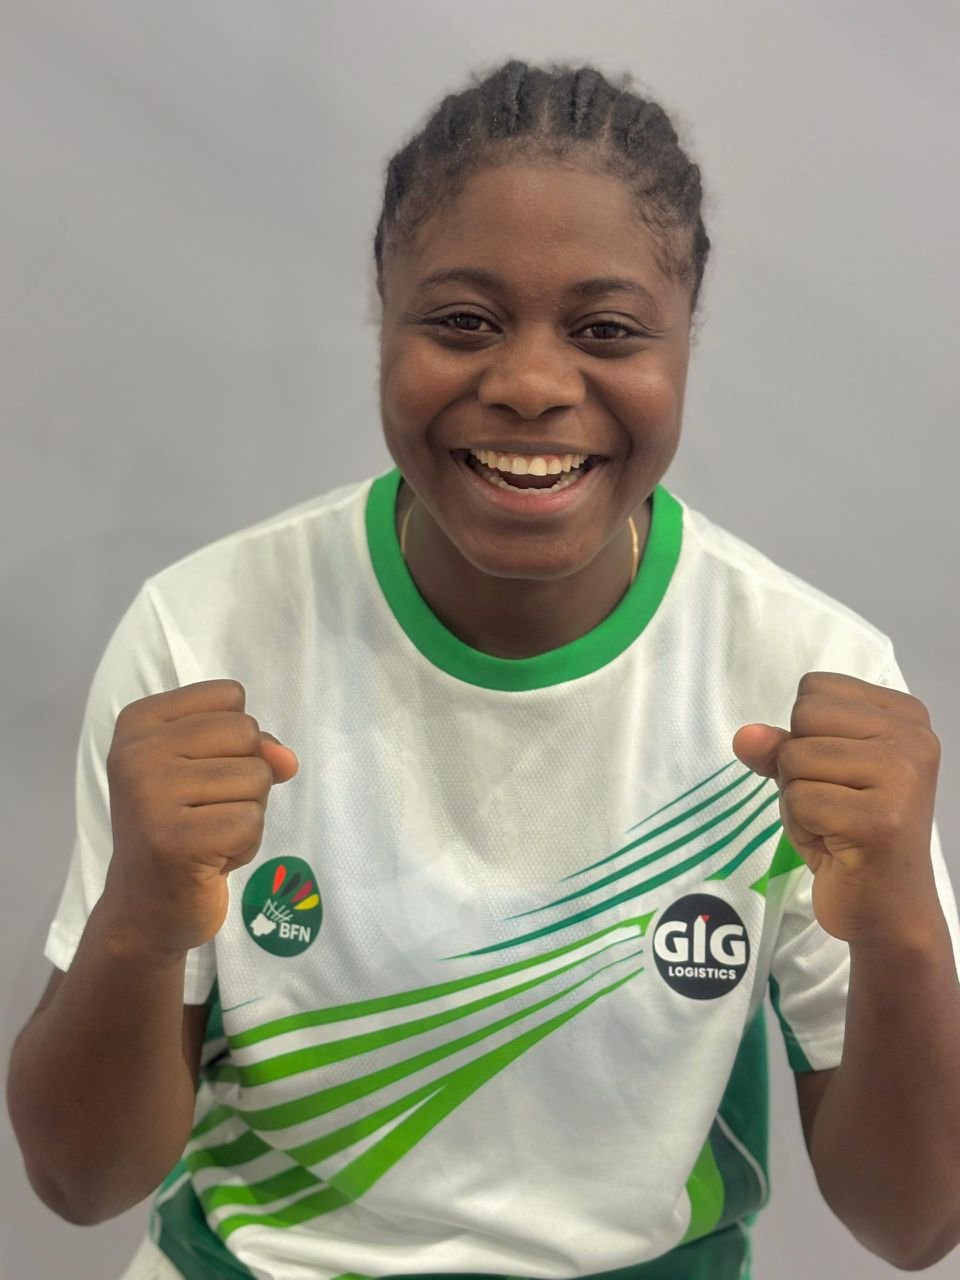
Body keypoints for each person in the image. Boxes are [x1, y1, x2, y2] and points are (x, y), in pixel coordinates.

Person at [7, 58, 960, 1280]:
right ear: (384, 312)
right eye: (463, 320)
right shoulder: (205, 637)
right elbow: (78, 1180)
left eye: (606, 330)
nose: (529, 385)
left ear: (685, 338)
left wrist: (906, 934)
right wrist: (140, 919)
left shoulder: (808, 677)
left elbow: (914, 1222)